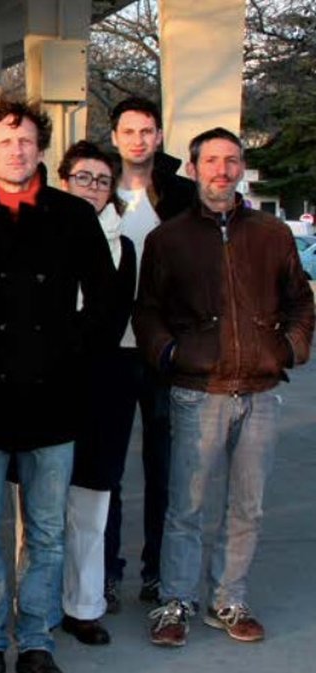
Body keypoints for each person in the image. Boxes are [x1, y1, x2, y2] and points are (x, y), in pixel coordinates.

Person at [0, 96, 115, 673]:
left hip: (53, 397)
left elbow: (106, 302)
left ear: (41, 149)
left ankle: (36, 640)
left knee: (47, 532)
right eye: (5, 141)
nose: (17, 150)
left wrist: (70, 348)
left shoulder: (73, 215)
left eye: (27, 140)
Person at [136, 128, 314, 648]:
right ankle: (175, 601)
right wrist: (171, 354)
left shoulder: (272, 234)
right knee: (185, 506)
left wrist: (288, 349)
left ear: (240, 168)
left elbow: (300, 302)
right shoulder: (167, 239)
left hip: (259, 390)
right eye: (211, 160)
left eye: (231, 160)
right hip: (198, 391)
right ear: (193, 168)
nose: (222, 169)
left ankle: (228, 599)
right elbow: (148, 312)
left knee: (247, 506)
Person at [104, 96, 195, 609]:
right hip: (112, 351)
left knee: (163, 469)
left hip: (164, 352)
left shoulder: (180, 195)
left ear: (158, 136)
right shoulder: (97, 189)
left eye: (147, 131)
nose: (138, 140)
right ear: (114, 137)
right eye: (128, 131)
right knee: (108, 471)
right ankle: (107, 572)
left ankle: (157, 572)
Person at [55, 141, 136, 646]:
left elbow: (111, 317)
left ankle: (83, 606)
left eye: (102, 180)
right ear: (63, 181)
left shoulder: (123, 247)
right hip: (42, 385)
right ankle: (36, 603)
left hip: (101, 385)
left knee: (91, 504)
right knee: (38, 506)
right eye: (82, 177)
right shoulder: (37, 235)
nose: (92, 188)